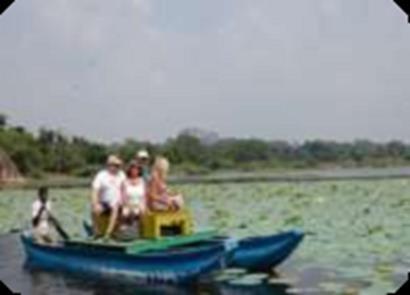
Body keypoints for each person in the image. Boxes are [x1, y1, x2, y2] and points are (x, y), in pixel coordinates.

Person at [91, 155, 126, 238]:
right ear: (108, 165)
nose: (116, 167)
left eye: (118, 166)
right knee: (94, 210)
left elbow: (125, 190)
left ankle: (108, 233)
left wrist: (124, 201)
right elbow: (95, 190)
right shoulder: (101, 175)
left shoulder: (122, 175)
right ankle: (97, 232)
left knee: (115, 207)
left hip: (118, 203)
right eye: (114, 165)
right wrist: (95, 203)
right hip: (105, 202)